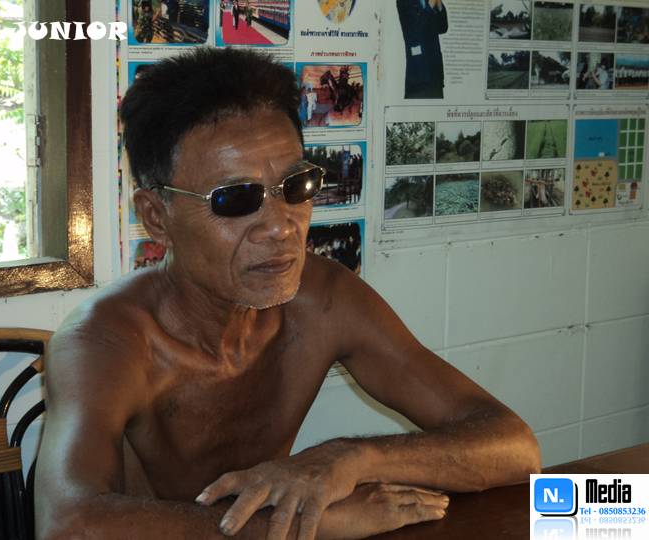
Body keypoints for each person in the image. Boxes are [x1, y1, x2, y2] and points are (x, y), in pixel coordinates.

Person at [35, 48, 541, 540]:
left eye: (296, 185)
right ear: (156, 217)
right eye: (236, 198)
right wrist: (305, 524)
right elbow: (69, 525)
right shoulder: (104, 342)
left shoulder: (323, 301)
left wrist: (350, 458)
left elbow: (515, 448)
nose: (281, 227)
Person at [396, 0, 448, 99]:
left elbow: (443, 28)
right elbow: (415, 31)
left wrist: (439, 4)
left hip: (435, 74)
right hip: (418, 77)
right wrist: (430, 6)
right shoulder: (404, 1)